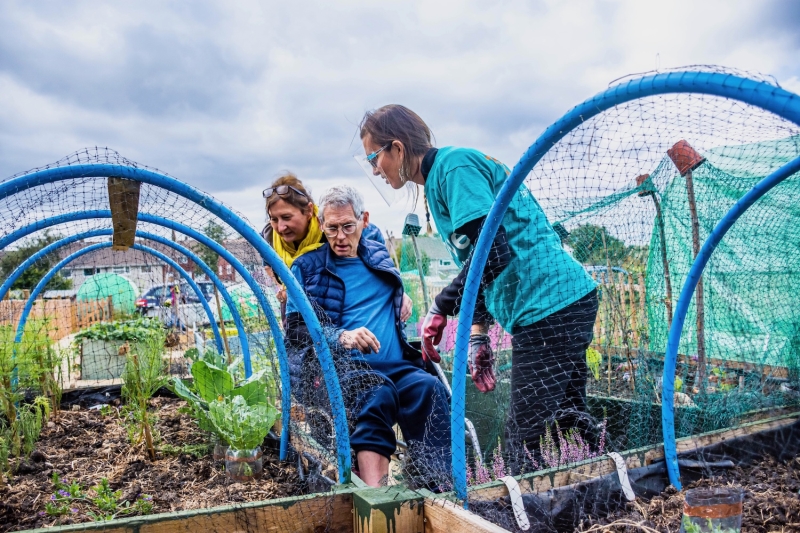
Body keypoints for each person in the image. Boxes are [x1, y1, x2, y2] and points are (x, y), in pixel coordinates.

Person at [357, 105, 599, 468]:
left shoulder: (454, 169)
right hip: (559, 303)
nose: (375, 169)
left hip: (550, 305)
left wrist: (440, 306)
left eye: (374, 157)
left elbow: (494, 254)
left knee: (522, 439)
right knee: (568, 416)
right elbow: (481, 267)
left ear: (398, 147)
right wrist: (477, 333)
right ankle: (606, 495)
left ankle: (523, 520)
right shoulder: (441, 179)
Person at [285, 185, 451, 487]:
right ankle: (375, 497)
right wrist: (341, 337)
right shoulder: (306, 268)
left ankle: (438, 488)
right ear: (321, 225)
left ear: (363, 220)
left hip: (396, 364)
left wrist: (400, 296)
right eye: (332, 228)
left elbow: (390, 287)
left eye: (348, 226)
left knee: (429, 387)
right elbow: (295, 332)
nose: (340, 237)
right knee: (377, 396)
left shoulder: (377, 253)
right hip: (345, 371)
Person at [261, 173, 411, 322]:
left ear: (308, 211)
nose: (280, 227)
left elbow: (374, 247)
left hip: (332, 299)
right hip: (298, 303)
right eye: (274, 219)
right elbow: (268, 265)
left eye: (287, 217)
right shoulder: (269, 237)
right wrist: (282, 287)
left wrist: (396, 291)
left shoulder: (332, 227)